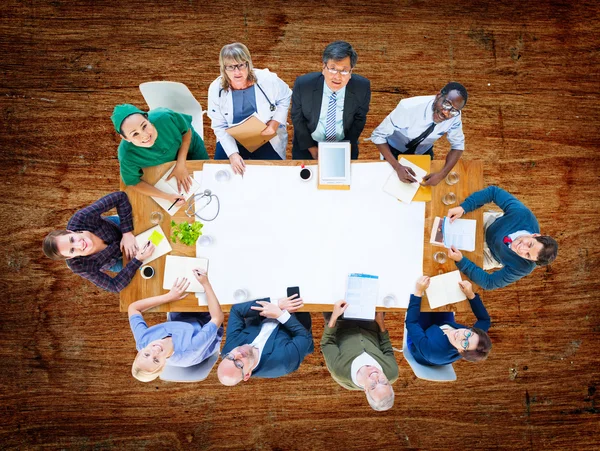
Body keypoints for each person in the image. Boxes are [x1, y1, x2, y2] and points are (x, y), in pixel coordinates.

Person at [446, 186, 558, 290]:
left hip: (491, 255)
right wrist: (464, 208)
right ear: (535, 235)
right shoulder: (523, 214)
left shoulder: (524, 268)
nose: (521, 249)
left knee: (448, 262)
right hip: (489, 226)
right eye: (530, 244)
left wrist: (462, 261)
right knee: (447, 217)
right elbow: (494, 192)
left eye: (527, 255)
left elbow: (489, 283)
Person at [42, 191, 155, 293]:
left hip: (118, 228)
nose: (80, 245)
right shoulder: (79, 266)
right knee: (152, 262)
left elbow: (120, 197)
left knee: (154, 226)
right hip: (114, 260)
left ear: (70, 231)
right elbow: (115, 286)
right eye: (72, 250)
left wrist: (127, 233)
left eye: (72, 239)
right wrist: (137, 259)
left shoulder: (81, 218)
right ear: (69, 257)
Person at [207, 42, 292, 176]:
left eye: (241, 65)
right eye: (231, 67)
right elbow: (219, 125)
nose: (237, 72)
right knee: (223, 173)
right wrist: (233, 154)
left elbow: (286, 95)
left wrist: (275, 124)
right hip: (232, 137)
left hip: (264, 135)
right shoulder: (215, 88)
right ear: (224, 68)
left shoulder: (267, 79)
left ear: (248, 63)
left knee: (275, 173)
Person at [128, 272, 224, 382]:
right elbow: (217, 318)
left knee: (179, 279)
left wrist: (169, 297)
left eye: (146, 354)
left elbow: (133, 308)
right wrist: (206, 284)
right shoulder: (190, 349)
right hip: (206, 323)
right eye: (156, 360)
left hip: (180, 322)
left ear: (140, 351)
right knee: (215, 284)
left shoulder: (143, 342)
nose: (155, 350)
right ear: (163, 365)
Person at [370, 82, 468, 186]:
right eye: (446, 104)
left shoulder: (455, 115)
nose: (446, 113)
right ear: (438, 96)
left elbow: (458, 146)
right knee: (390, 186)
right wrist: (397, 166)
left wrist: (441, 175)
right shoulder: (408, 107)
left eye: (453, 110)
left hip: (423, 152)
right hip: (393, 151)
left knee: (421, 191)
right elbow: (378, 135)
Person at [112, 103, 209, 206]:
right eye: (135, 134)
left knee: (206, 177)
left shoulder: (165, 117)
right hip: (165, 169)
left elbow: (186, 131)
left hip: (190, 148)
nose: (145, 136)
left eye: (144, 126)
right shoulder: (127, 155)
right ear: (125, 138)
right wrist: (166, 196)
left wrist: (181, 164)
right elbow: (133, 182)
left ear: (147, 118)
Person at [291, 40, 371, 160]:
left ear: (351, 72)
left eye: (344, 71)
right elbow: (297, 117)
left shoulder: (362, 87)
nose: (337, 77)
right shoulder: (304, 85)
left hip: (344, 145)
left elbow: (359, 119)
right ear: (323, 67)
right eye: (333, 69)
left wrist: (344, 148)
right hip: (308, 144)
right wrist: (312, 148)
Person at [217, 295, 313, 385]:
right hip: (294, 318)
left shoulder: (229, 350)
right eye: (238, 364)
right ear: (247, 375)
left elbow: (236, 311)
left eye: (230, 357)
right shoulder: (282, 363)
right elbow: (305, 337)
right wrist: (280, 315)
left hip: (264, 311)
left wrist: (275, 304)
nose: (238, 354)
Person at [321, 300, 398, 412]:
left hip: (340, 321)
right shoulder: (392, 372)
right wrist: (381, 322)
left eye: (373, 386)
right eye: (383, 382)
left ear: (365, 390)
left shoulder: (340, 372)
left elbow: (327, 343)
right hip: (370, 322)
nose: (376, 376)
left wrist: (334, 316)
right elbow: (386, 346)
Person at [406, 276, 492, 366]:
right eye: (468, 334)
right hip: (440, 328)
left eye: (465, 343)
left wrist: (418, 291)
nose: (461, 335)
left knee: (421, 299)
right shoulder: (475, 338)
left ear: (461, 351)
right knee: (441, 296)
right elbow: (485, 320)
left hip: (421, 343)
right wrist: (470, 294)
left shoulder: (432, 351)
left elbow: (411, 323)